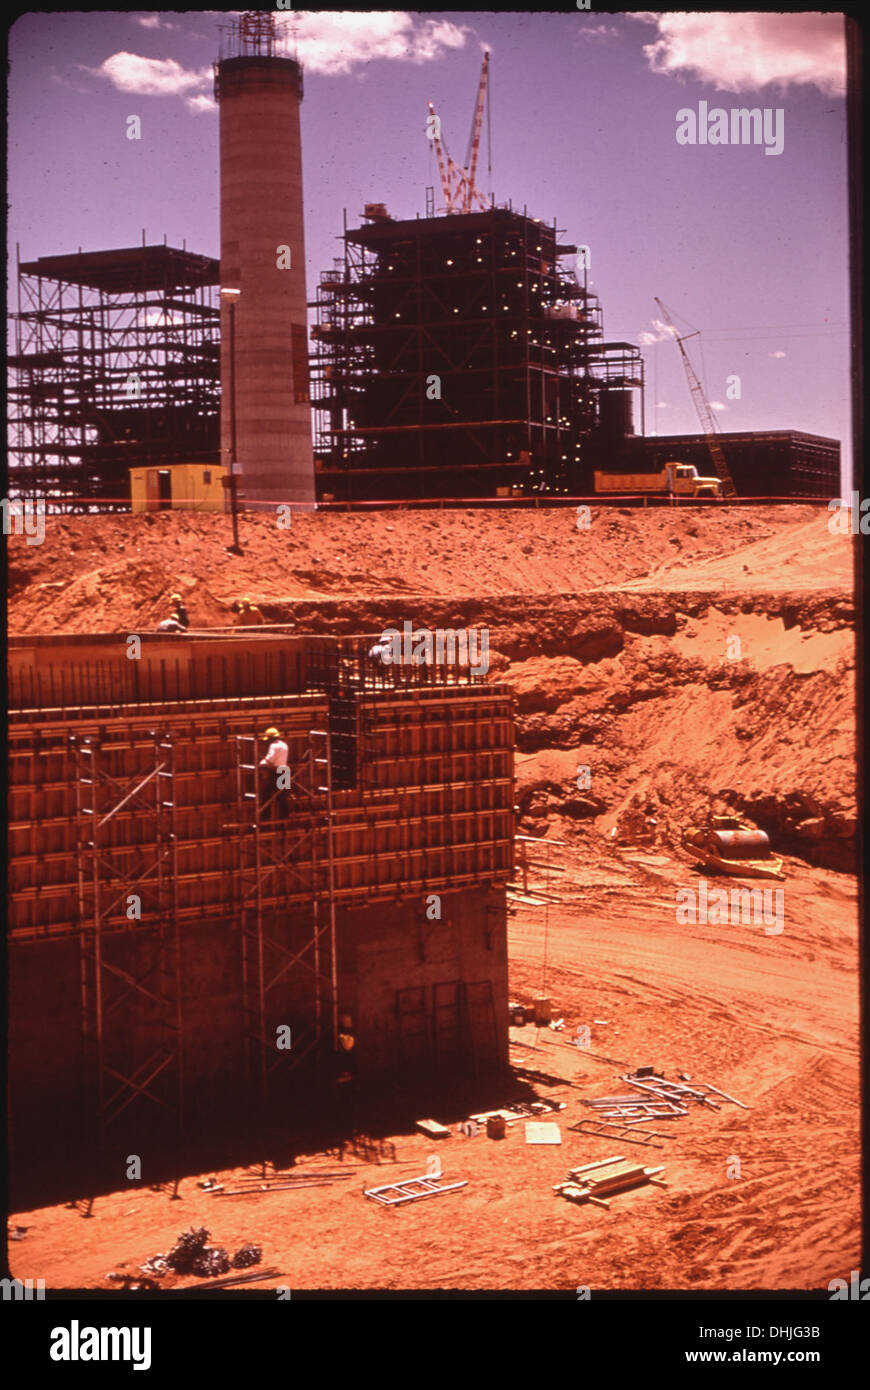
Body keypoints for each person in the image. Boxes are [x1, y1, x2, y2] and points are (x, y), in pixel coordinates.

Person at [258, 726, 289, 819]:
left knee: (266, 794)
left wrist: (261, 763)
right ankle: (285, 815)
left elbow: (270, 758)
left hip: (275, 771)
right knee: (282, 796)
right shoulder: (284, 745)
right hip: (284, 770)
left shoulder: (273, 746)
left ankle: (265, 815)